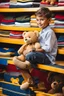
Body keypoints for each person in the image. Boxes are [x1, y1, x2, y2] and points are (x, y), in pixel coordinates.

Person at [13, 7, 58, 90]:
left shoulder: (50, 32)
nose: (39, 22)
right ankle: (30, 80)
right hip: (39, 55)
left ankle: (30, 76)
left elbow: (47, 49)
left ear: (49, 20)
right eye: (37, 20)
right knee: (19, 57)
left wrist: (32, 50)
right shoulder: (41, 31)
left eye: (42, 20)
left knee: (30, 55)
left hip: (47, 57)